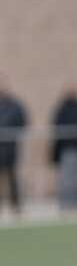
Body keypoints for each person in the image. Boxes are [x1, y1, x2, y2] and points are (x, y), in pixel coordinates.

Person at [49, 88, 77, 212]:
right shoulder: (62, 108)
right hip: (66, 148)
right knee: (66, 178)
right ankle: (66, 203)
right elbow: (57, 124)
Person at [0, 77, 28, 213]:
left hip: (10, 147)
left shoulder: (14, 105)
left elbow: (22, 120)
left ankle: (15, 205)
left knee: (12, 176)